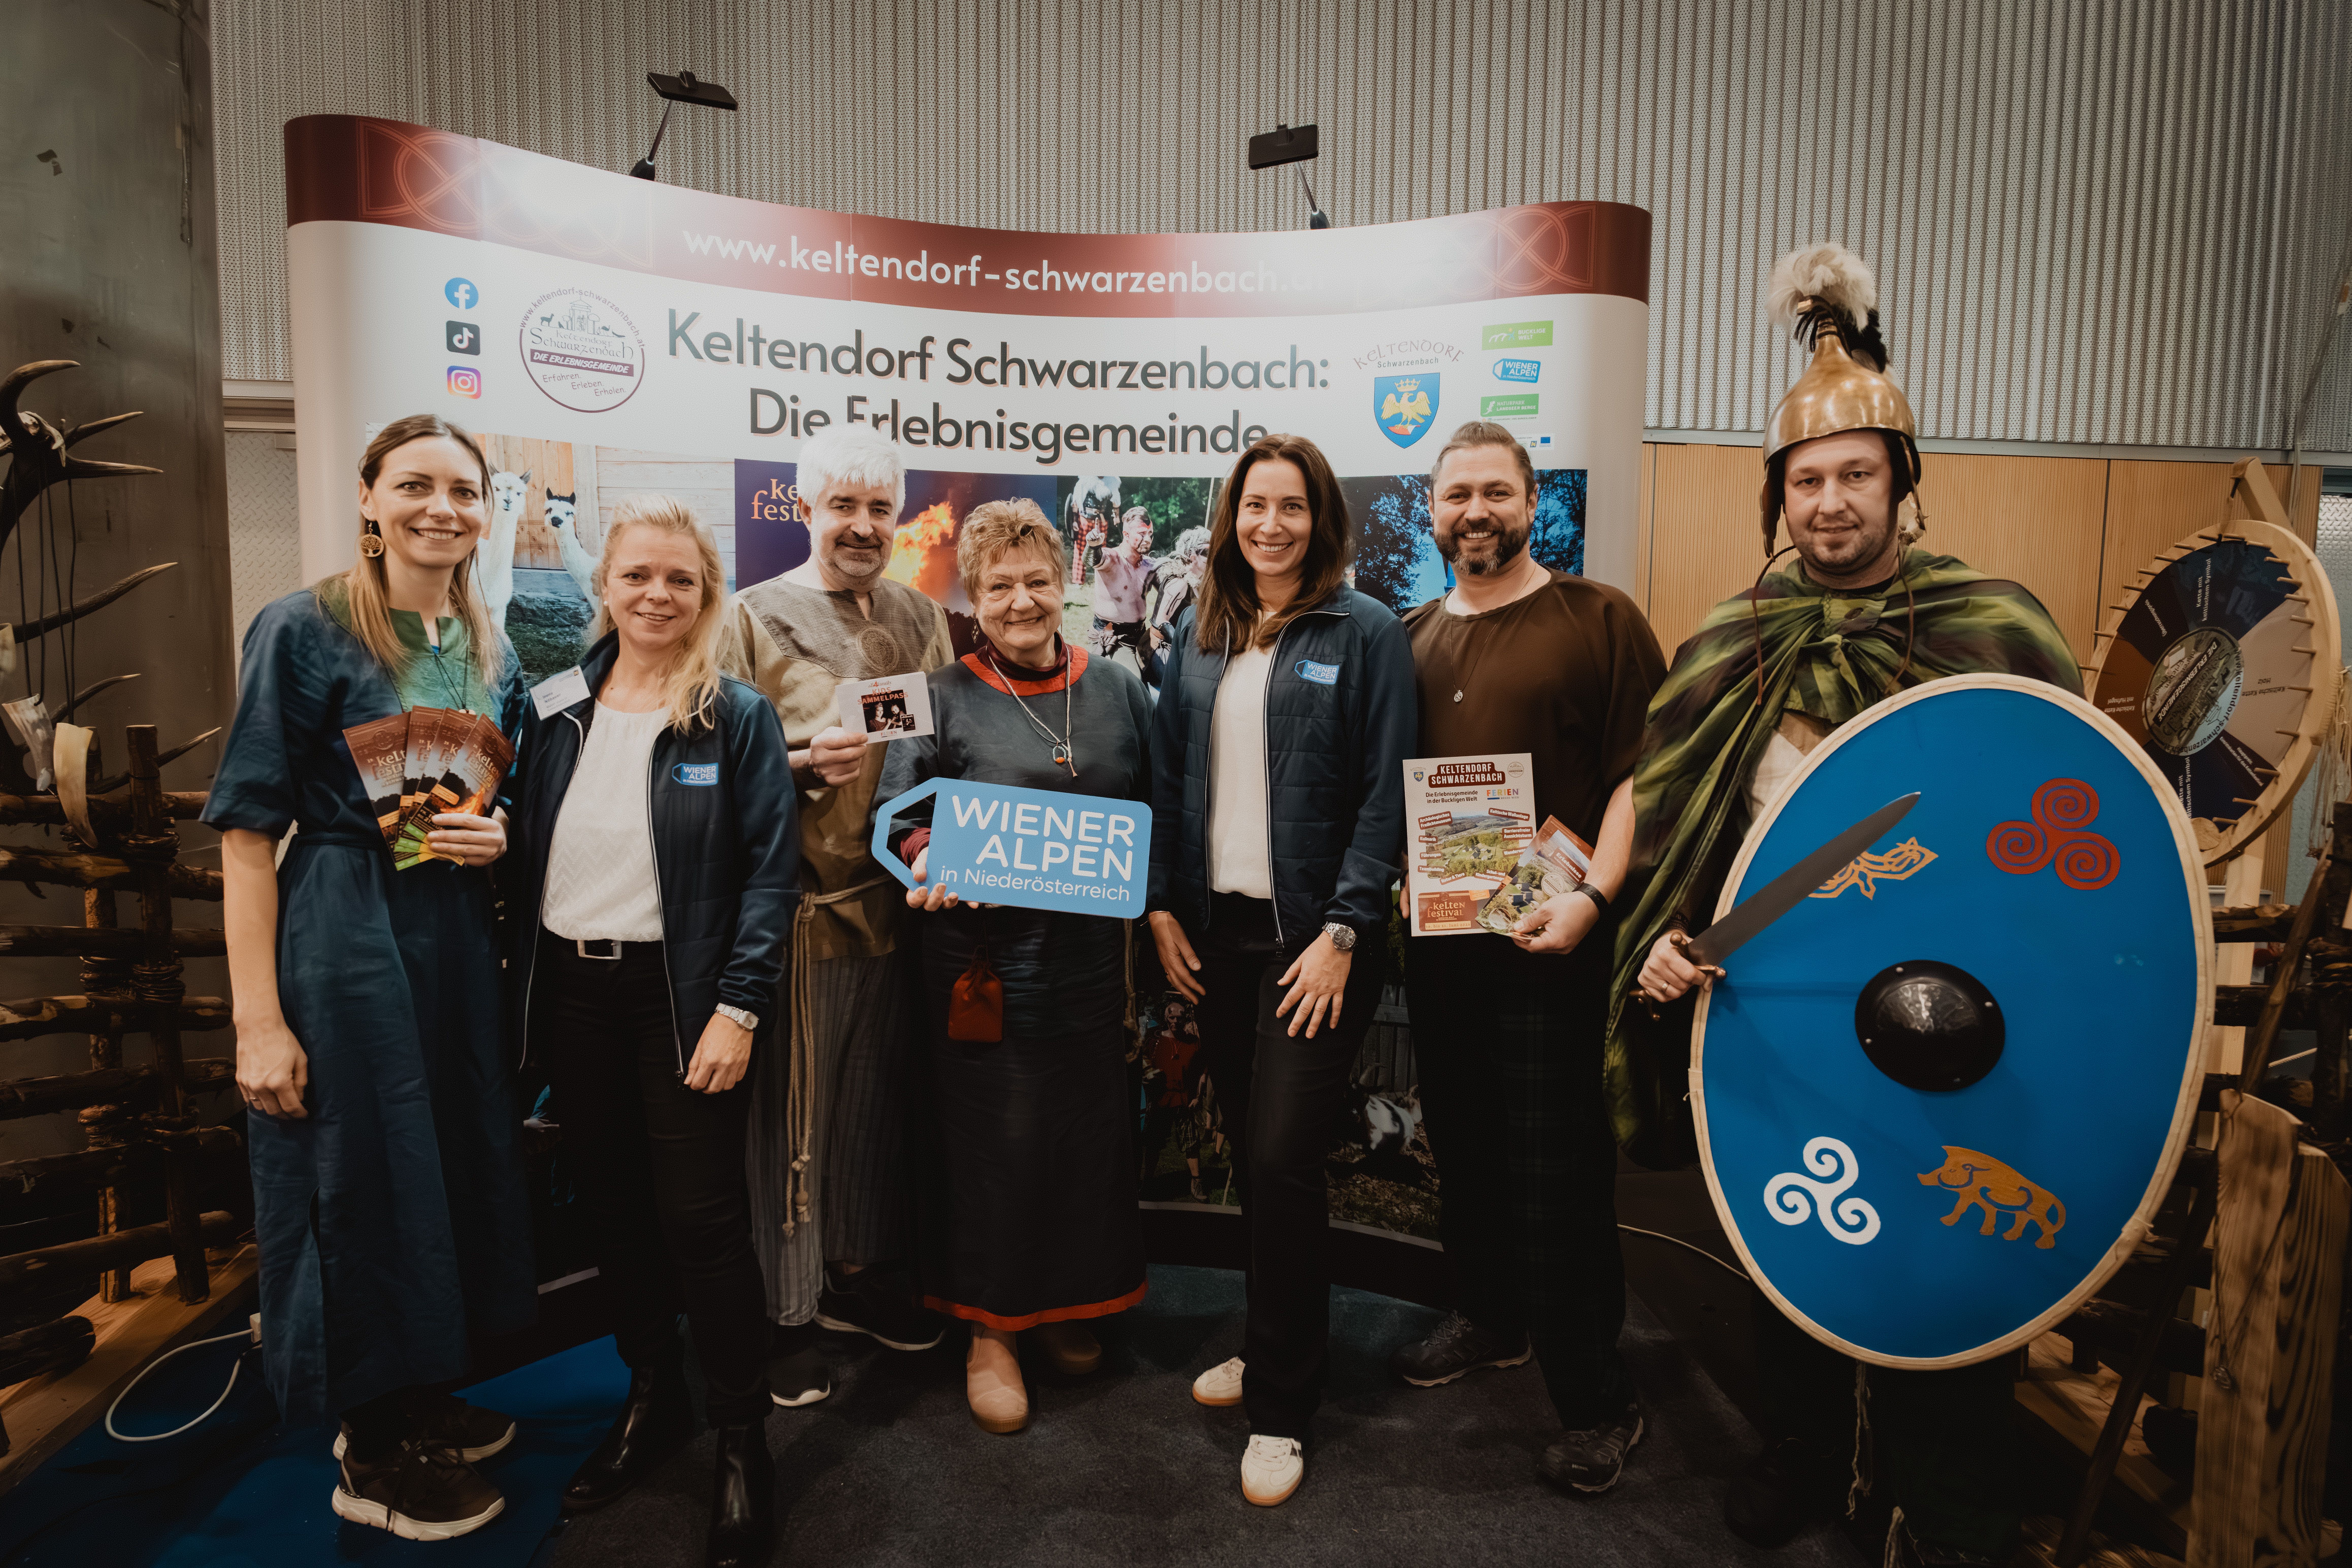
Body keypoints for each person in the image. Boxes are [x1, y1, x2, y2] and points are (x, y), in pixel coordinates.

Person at [1611, 244, 2081, 1568]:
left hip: (1961, 1011)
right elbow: (1683, 817)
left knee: (1949, 1243)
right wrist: (1665, 935)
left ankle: (1951, 1494)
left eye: (1855, 474)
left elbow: (2064, 823)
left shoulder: (1993, 630)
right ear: (1779, 496)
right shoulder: (1736, 638)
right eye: (1807, 479)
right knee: (1796, 1239)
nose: (1830, 502)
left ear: (1902, 487)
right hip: (1787, 1008)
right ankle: (1804, 1450)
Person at [210, 414, 532, 1541]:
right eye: (415, 485)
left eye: (463, 490)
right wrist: (258, 1021)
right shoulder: (300, 629)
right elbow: (246, 836)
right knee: (356, 1170)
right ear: (367, 496)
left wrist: (499, 838)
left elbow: (501, 795)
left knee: (440, 1160)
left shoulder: (490, 645)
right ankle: (370, 1441)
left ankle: (418, 1388)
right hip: (345, 929)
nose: (441, 507)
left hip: (451, 935)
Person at [504, 497, 797, 1568]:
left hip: (683, 1006)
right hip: (573, 1002)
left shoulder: (738, 719)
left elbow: (772, 875)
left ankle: (739, 1438)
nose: (655, 596)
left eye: (678, 579)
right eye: (636, 576)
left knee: (702, 1225)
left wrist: (740, 1006)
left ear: (705, 592)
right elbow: (518, 837)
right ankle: (651, 1394)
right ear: (606, 585)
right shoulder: (552, 704)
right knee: (616, 1215)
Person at [1383, 421, 1666, 1495]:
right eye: (1455, 494)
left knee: (1557, 1172)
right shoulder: (1407, 636)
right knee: (1461, 1146)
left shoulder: (1597, 618)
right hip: (1444, 944)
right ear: (1431, 506)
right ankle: (1492, 1320)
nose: (1475, 511)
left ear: (1530, 498)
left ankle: (1599, 1397)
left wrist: (1594, 898)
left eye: (1495, 491)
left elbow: (1642, 774)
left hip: (1554, 935)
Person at [1146, 433, 1415, 1507]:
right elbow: (1172, 781)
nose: (1269, 525)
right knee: (1254, 1169)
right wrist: (1162, 906)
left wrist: (1346, 929)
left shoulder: (1366, 633)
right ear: (1230, 519)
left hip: (1316, 944)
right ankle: (1269, 1348)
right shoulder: (1199, 635)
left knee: (1281, 1158)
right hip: (1220, 938)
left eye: (1289, 507)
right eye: (1253, 506)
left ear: (1318, 520)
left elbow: (1386, 794)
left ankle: (1284, 1406)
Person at [878, 500, 1152, 1433]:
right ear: (973, 596)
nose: (1022, 599)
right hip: (981, 966)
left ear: (1064, 586)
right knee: (991, 1145)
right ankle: (991, 1330)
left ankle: (1065, 1307)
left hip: (1086, 963)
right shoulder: (936, 690)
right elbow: (897, 814)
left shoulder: (1117, 687)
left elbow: (1157, 809)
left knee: (1081, 1138)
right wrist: (926, 856)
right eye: (999, 585)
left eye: (1038, 580)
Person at [726, 425, 954, 1402]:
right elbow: (713, 765)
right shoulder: (748, 615)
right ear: (804, 508)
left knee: (873, 1113)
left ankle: (857, 1280)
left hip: (902, 911)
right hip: (806, 917)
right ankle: (783, 1318)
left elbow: (947, 746)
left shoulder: (921, 615)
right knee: (796, 1121)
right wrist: (792, 759)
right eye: (843, 506)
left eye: (878, 508)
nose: (861, 526)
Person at [1091, 508, 1162, 684]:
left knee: (1165, 678)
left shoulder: (1149, 565)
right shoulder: (1112, 558)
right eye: (1142, 534)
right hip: (1114, 637)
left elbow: (1172, 588)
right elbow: (1094, 560)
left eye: (1151, 534)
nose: (1148, 539)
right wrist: (1093, 547)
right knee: (1135, 683)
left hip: (1143, 636)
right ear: (1126, 534)